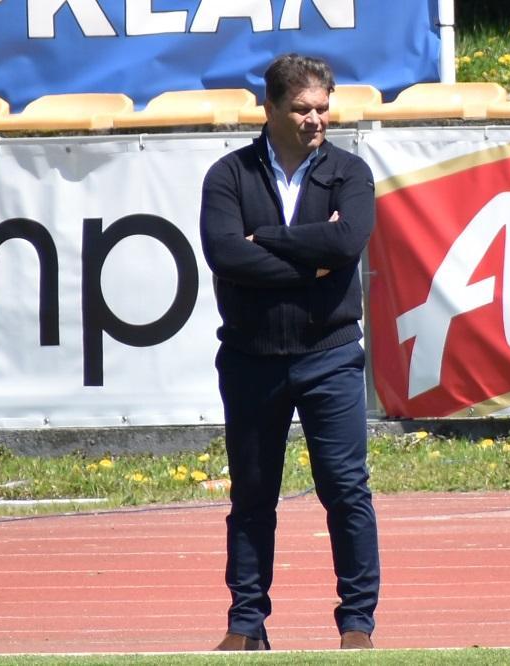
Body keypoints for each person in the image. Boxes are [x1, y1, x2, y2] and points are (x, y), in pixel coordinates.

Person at [199, 53, 380, 651]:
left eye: (323, 108)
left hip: (330, 355)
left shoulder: (349, 172)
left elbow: (346, 242)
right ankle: (245, 625)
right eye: (302, 109)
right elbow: (227, 255)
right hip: (251, 357)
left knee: (346, 489)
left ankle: (357, 624)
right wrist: (311, 263)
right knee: (252, 495)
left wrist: (270, 241)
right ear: (271, 108)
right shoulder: (229, 175)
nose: (316, 119)